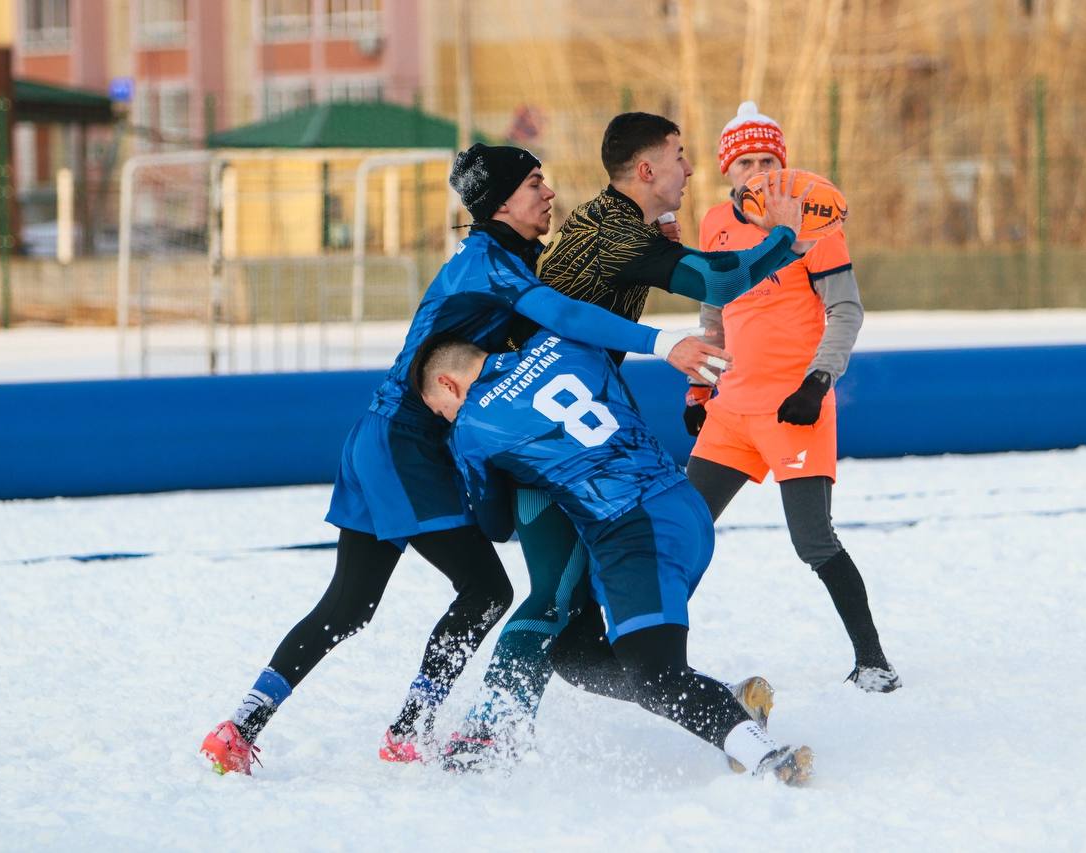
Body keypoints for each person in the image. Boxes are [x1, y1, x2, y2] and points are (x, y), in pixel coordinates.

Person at [198, 144, 732, 775]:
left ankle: (239, 727)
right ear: (502, 201)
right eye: (536, 183)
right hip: (408, 443)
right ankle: (410, 729)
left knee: (350, 606)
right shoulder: (488, 261)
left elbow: (574, 297)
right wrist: (662, 342)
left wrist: (654, 239)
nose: (548, 193)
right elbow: (561, 313)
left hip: (382, 440)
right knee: (482, 591)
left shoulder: (510, 255)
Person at [449, 112, 815, 759]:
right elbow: (718, 281)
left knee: (579, 637)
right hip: (536, 440)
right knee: (555, 594)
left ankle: (710, 698)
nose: (691, 169)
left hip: (558, 431)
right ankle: (488, 730)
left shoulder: (610, 222)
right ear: (646, 170)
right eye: (679, 155)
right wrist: (784, 234)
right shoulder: (618, 234)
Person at [413, 332, 814, 787]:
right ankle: (730, 701)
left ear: (449, 384)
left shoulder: (470, 428)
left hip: (633, 528)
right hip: (681, 503)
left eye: (440, 409)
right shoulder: (568, 345)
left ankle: (766, 757)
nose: (447, 418)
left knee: (656, 673)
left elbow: (494, 525)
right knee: (575, 655)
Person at [685, 101, 899, 692]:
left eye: (768, 160)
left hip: (794, 408)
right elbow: (713, 309)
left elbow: (846, 310)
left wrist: (816, 382)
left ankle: (873, 660)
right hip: (731, 412)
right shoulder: (714, 224)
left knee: (813, 542)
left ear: (784, 164)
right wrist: (700, 384)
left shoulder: (815, 223)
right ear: (728, 170)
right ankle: (655, 659)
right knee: (679, 530)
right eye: (745, 161)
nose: (757, 171)